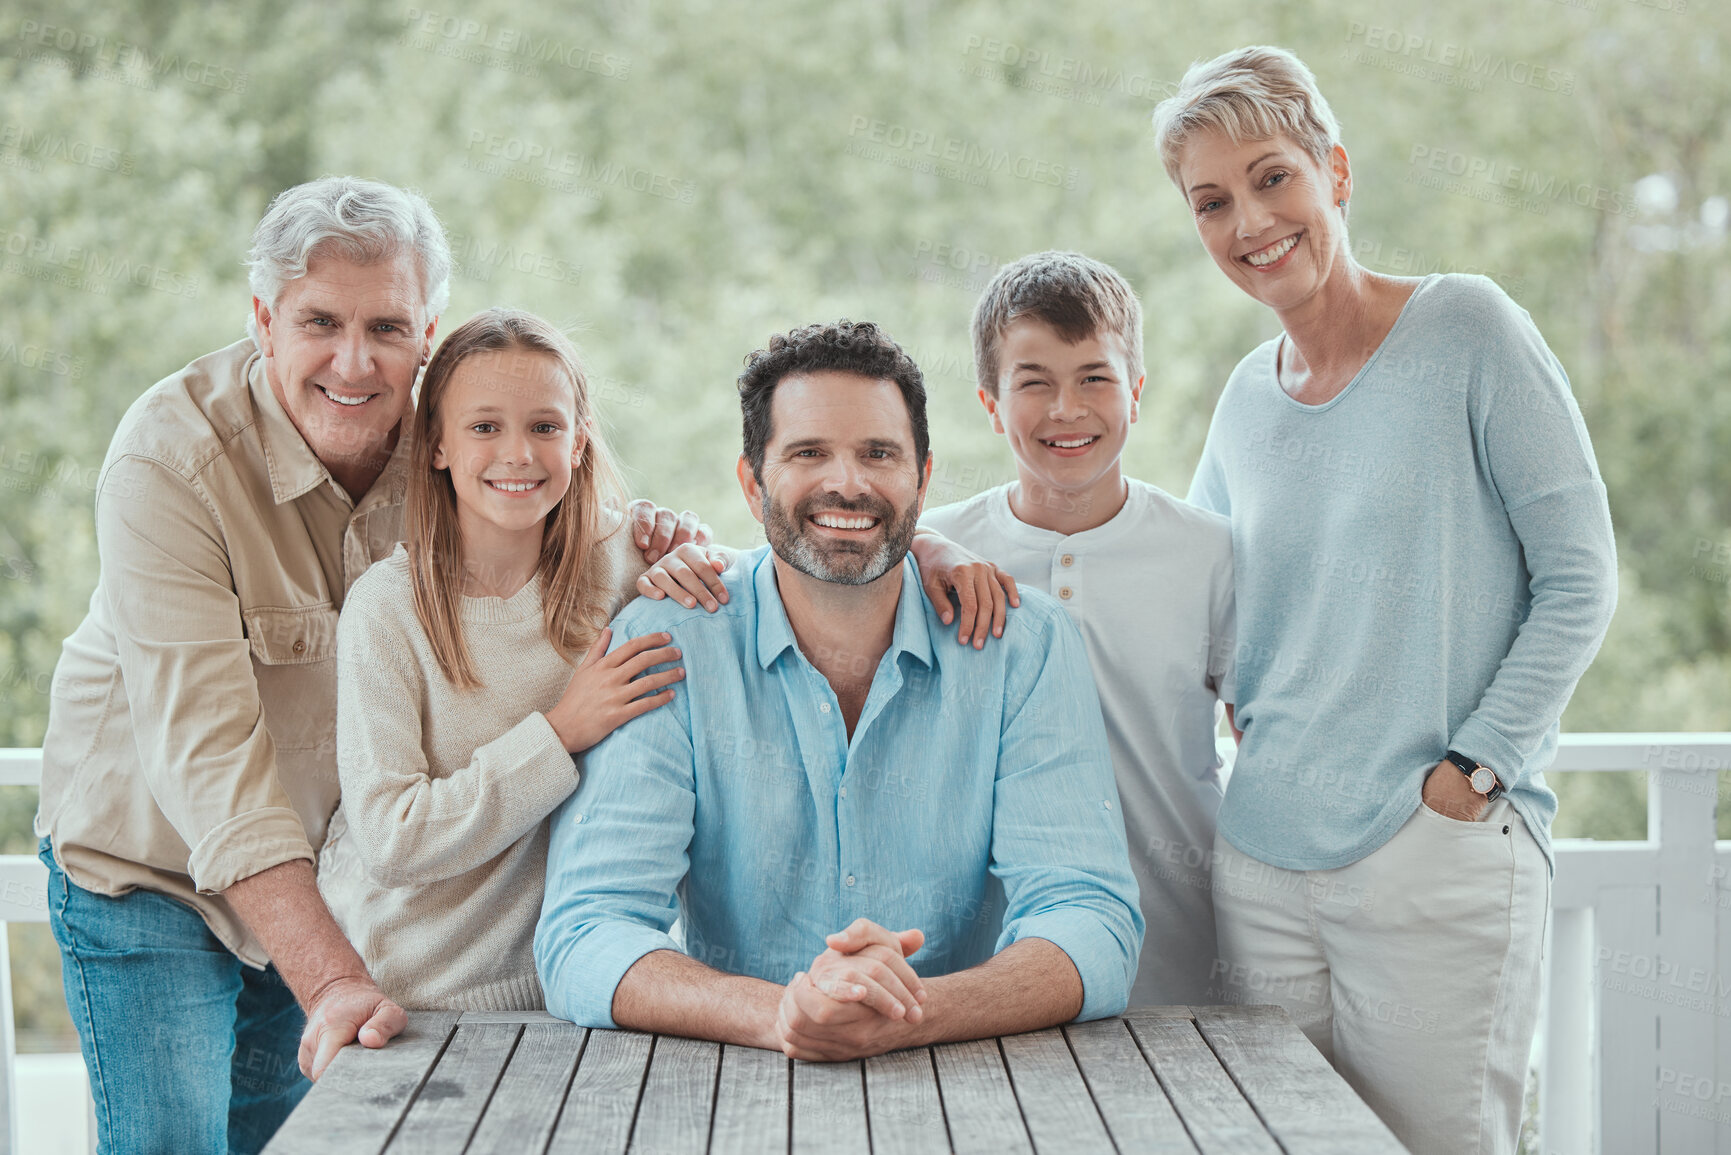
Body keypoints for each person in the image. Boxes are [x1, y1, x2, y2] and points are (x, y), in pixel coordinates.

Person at [33, 177, 705, 1154]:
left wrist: (661, 537)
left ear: (427, 332)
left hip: (319, 883)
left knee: (285, 1140)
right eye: (320, 322)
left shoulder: (443, 432)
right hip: (154, 869)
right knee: (172, 1142)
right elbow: (209, 761)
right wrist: (335, 977)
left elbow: (560, 496)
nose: (355, 361)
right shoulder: (169, 461)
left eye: (387, 326)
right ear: (263, 322)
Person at [1152, 46, 1618, 1155]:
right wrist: (956, 551)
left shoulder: (1469, 331)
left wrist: (1474, 772)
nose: (1250, 222)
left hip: (1431, 852)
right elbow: (1197, 588)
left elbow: (1580, 575)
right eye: (1211, 202)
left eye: (1273, 178)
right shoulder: (1244, 401)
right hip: (1261, 859)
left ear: (1337, 173)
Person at [534, 319, 1143, 1059]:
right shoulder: (668, 641)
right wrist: (783, 1013)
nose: (847, 482)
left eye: (878, 453)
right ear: (751, 480)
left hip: (973, 1079)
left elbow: (1091, 921)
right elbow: (585, 932)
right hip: (721, 1080)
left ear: (922, 476)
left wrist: (913, 1011)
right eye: (808, 453)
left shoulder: (1025, 646)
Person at [318, 308, 687, 1011]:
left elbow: (776, 581)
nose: (517, 454)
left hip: (576, 993)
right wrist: (561, 731)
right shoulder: (387, 608)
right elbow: (391, 838)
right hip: (410, 1001)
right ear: (437, 446)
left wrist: (931, 548)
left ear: (578, 443)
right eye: (485, 427)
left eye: (544, 427)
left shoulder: (622, 559)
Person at [919, 250, 1235, 1006]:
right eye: (1033, 382)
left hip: (1181, 961)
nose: (1066, 409)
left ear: (1137, 391)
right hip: (985, 977)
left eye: (1094, 376)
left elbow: (1269, 743)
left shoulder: (1212, 553)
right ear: (991, 403)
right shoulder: (929, 552)